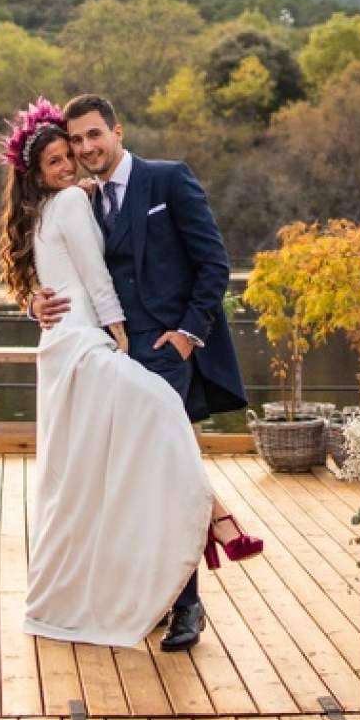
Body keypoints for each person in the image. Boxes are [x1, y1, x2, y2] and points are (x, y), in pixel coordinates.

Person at [25, 93, 263, 653]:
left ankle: (187, 605)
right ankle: (159, 589)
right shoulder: (81, 198)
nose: (84, 149)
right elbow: (70, 270)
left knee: (160, 468)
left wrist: (186, 336)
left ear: (116, 131)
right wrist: (35, 304)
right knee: (130, 479)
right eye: (75, 142)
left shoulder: (168, 180)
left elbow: (214, 265)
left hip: (163, 349)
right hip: (112, 353)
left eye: (91, 136)